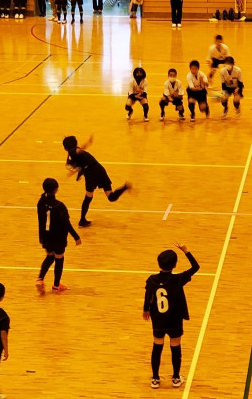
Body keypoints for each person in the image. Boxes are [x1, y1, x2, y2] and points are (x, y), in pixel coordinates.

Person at [143, 243, 199, 389]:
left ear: (159, 263)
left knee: (157, 347)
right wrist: (186, 251)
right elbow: (195, 267)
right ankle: (175, 378)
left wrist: (146, 310)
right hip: (174, 319)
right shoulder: (178, 279)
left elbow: (147, 296)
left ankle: (155, 379)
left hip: (158, 319)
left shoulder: (152, 280)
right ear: (175, 265)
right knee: (175, 347)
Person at [63, 135, 131, 227]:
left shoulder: (72, 151)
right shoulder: (74, 153)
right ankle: (125, 187)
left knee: (88, 197)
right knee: (111, 197)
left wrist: (88, 143)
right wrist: (77, 172)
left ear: (65, 148)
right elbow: (80, 161)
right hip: (99, 169)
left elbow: (78, 153)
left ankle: (82, 220)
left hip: (91, 173)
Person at [36, 178, 81, 292]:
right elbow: (66, 224)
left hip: (45, 237)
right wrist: (76, 237)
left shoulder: (41, 202)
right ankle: (56, 286)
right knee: (59, 259)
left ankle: (40, 278)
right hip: (58, 238)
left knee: (50, 256)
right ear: (56, 190)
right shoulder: (59, 206)